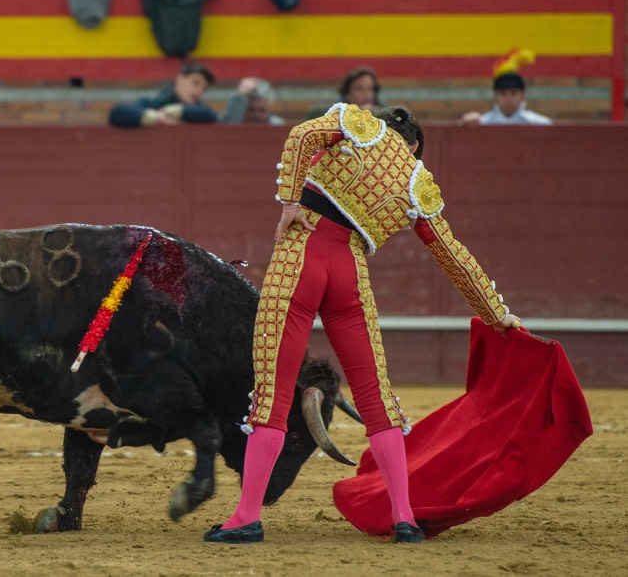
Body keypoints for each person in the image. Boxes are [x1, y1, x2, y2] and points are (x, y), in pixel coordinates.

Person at [203, 103, 522, 545]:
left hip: (301, 254)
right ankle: (405, 518)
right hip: (349, 273)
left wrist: (290, 203)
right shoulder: (415, 181)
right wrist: (497, 314)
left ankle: (245, 518)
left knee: (272, 393)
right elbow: (454, 257)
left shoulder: (358, 125)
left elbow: (299, 136)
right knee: (376, 398)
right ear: (414, 145)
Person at [108, 61, 218, 128]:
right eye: (195, 83)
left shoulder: (202, 113)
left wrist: (175, 112)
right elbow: (117, 113)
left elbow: (210, 115)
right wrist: (157, 117)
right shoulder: (153, 104)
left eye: (204, 88)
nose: (199, 91)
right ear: (180, 79)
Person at [461, 71, 552, 125]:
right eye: (503, 94)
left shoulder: (540, 124)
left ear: (522, 95)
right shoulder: (482, 123)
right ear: (495, 95)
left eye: (513, 93)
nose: (508, 99)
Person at [304, 66, 381, 121]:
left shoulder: (383, 111)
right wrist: (355, 113)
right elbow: (313, 113)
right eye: (359, 89)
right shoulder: (332, 111)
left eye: (370, 89)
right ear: (347, 93)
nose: (366, 94)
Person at [221, 77, 286, 125]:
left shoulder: (276, 125)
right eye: (251, 110)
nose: (256, 116)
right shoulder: (234, 120)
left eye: (262, 111)